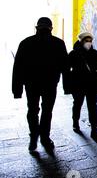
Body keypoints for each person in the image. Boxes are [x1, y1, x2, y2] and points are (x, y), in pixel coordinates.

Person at [12, 17, 70, 151]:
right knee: (47, 111)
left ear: (36, 28)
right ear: (51, 28)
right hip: (50, 84)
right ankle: (45, 137)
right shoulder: (58, 43)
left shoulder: (26, 43)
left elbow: (18, 68)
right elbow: (65, 67)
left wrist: (17, 90)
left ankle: (33, 138)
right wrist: (67, 87)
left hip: (31, 84)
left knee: (32, 110)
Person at [68, 32, 97, 139]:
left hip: (91, 83)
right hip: (78, 84)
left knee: (93, 106)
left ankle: (94, 129)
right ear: (81, 41)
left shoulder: (95, 53)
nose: (88, 43)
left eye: (90, 41)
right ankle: (75, 122)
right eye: (86, 41)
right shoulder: (73, 54)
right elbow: (67, 69)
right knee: (77, 104)